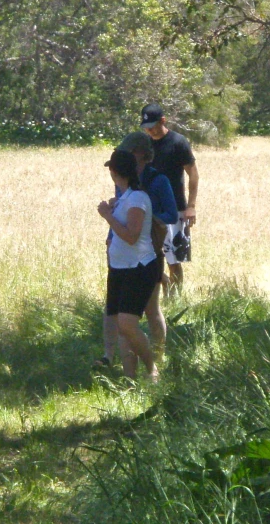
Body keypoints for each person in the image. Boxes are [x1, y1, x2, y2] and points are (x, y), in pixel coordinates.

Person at [94, 133, 177, 370]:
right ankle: (117, 364)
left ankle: (156, 361)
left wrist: (144, 218)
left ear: (140, 153)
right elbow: (124, 216)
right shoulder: (125, 187)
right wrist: (113, 227)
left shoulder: (157, 181)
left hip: (146, 254)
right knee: (118, 316)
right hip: (122, 257)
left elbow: (170, 215)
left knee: (149, 310)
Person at [97, 149, 159, 382]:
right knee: (123, 327)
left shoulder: (137, 199)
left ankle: (152, 369)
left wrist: (107, 216)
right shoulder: (125, 198)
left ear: (114, 172)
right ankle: (129, 379)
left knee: (127, 324)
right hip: (120, 268)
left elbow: (132, 236)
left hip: (139, 268)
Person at [140, 103, 199, 295]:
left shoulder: (178, 142)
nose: (150, 130)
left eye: (153, 125)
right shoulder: (144, 144)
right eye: (146, 127)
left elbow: (193, 174)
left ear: (163, 121)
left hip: (176, 210)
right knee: (148, 257)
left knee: (174, 260)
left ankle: (174, 299)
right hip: (149, 209)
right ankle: (159, 289)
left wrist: (191, 207)